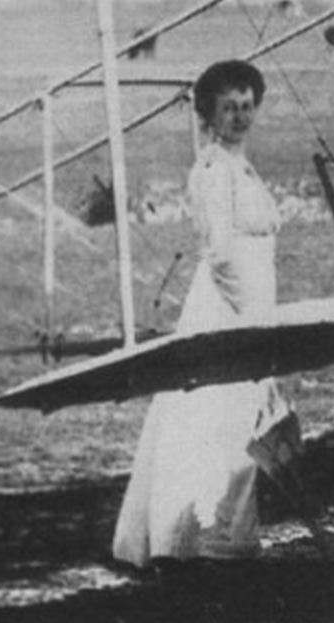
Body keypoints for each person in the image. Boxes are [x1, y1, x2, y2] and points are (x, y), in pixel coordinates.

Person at [113, 59, 299, 569]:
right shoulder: (213, 169)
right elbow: (220, 255)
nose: (240, 117)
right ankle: (191, 539)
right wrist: (251, 319)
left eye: (247, 106)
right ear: (208, 116)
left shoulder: (240, 164)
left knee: (239, 419)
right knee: (210, 421)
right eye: (228, 109)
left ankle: (222, 537)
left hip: (251, 299)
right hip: (227, 306)